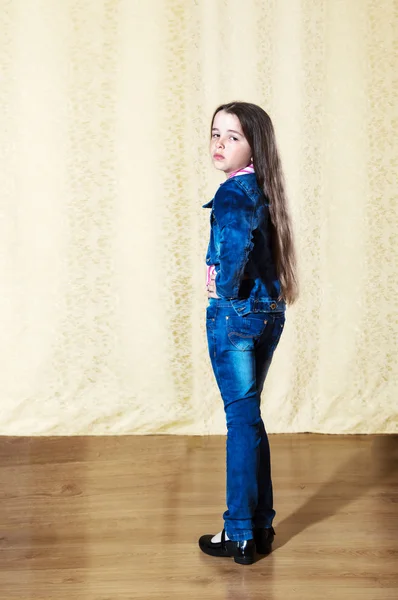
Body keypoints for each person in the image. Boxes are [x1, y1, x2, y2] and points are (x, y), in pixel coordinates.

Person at [198, 101, 298, 565]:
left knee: (239, 420)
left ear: (254, 146)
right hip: (267, 312)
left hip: (236, 315)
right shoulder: (262, 189)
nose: (220, 143)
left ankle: (238, 530)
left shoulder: (232, 194)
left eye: (233, 137)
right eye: (216, 134)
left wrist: (222, 281)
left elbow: (235, 250)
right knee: (251, 418)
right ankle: (260, 525)